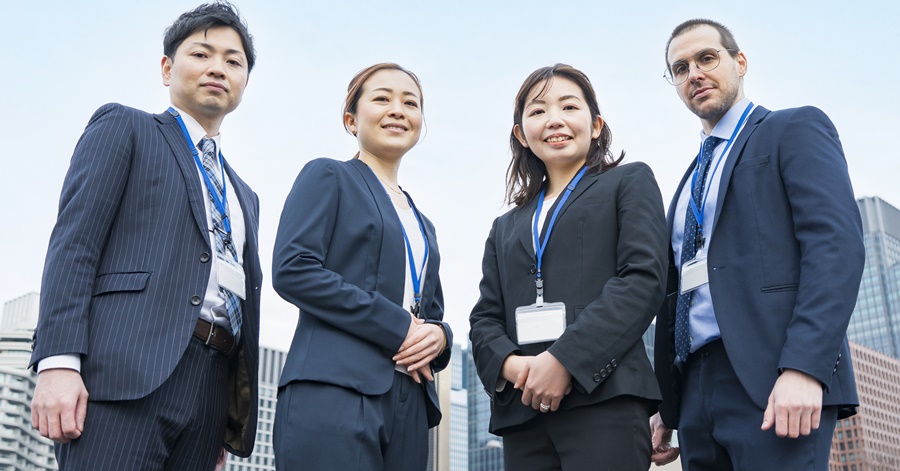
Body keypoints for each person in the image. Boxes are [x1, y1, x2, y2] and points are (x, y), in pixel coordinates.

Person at [28, 2, 260, 469]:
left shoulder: (245, 196)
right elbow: (75, 245)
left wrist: (221, 419)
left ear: (244, 83)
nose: (218, 68)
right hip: (124, 375)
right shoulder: (126, 127)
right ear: (167, 68)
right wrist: (57, 361)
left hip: (210, 390)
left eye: (234, 61)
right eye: (202, 54)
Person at [650, 19, 864, 470]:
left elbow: (835, 248)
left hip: (774, 378)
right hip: (695, 391)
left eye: (707, 58)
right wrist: (667, 404)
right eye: (680, 68)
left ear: (740, 62)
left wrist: (805, 367)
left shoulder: (793, 129)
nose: (695, 74)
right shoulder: (688, 180)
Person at [469, 64, 668, 470]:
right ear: (521, 134)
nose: (554, 119)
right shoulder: (505, 226)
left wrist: (563, 361)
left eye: (569, 106)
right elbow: (485, 317)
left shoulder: (628, 182)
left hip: (605, 400)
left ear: (595, 125)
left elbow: (642, 280)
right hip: (524, 413)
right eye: (538, 111)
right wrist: (513, 365)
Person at [271, 63, 452, 471]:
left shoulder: (424, 224)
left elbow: (430, 314)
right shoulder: (329, 175)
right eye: (382, 98)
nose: (398, 110)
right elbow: (293, 268)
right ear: (351, 119)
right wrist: (396, 324)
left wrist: (440, 337)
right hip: (335, 389)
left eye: (411, 103)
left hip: (410, 403)